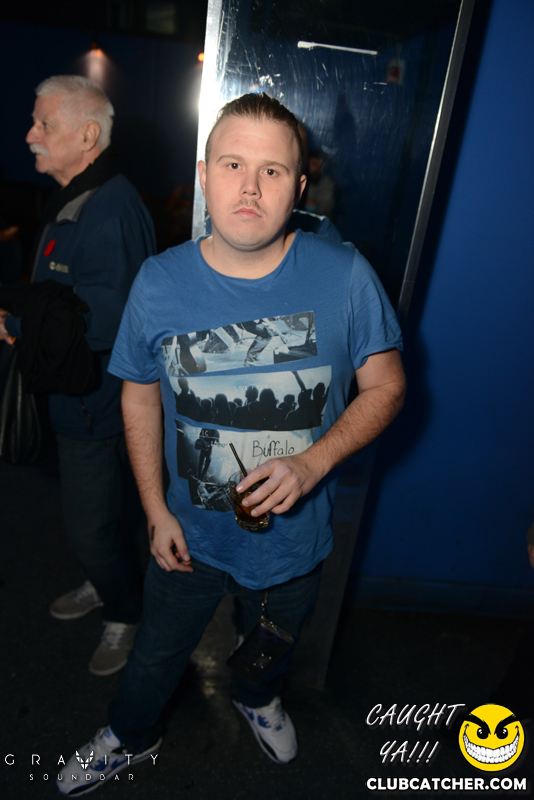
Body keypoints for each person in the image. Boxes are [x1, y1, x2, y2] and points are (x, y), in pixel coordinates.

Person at [57, 92, 405, 794]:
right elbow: (138, 393)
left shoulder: (345, 275)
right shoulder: (159, 281)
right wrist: (154, 509)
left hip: (293, 542)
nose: (250, 187)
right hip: (187, 535)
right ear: (204, 174)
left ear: (299, 187)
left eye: (271, 171)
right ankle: (131, 733)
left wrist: (313, 462)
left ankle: (256, 699)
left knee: (270, 645)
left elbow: (388, 386)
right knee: (155, 654)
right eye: (233, 164)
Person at [0, 75, 156, 675]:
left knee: (89, 528)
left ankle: (125, 612)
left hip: (95, 405)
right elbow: (62, 293)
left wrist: (20, 323)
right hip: (76, 398)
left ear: (88, 136)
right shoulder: (77, 197)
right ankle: (104, 578)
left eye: (45, 125)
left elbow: (108, 319)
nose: (30, 135)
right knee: (98, 520)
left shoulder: (111, 210)